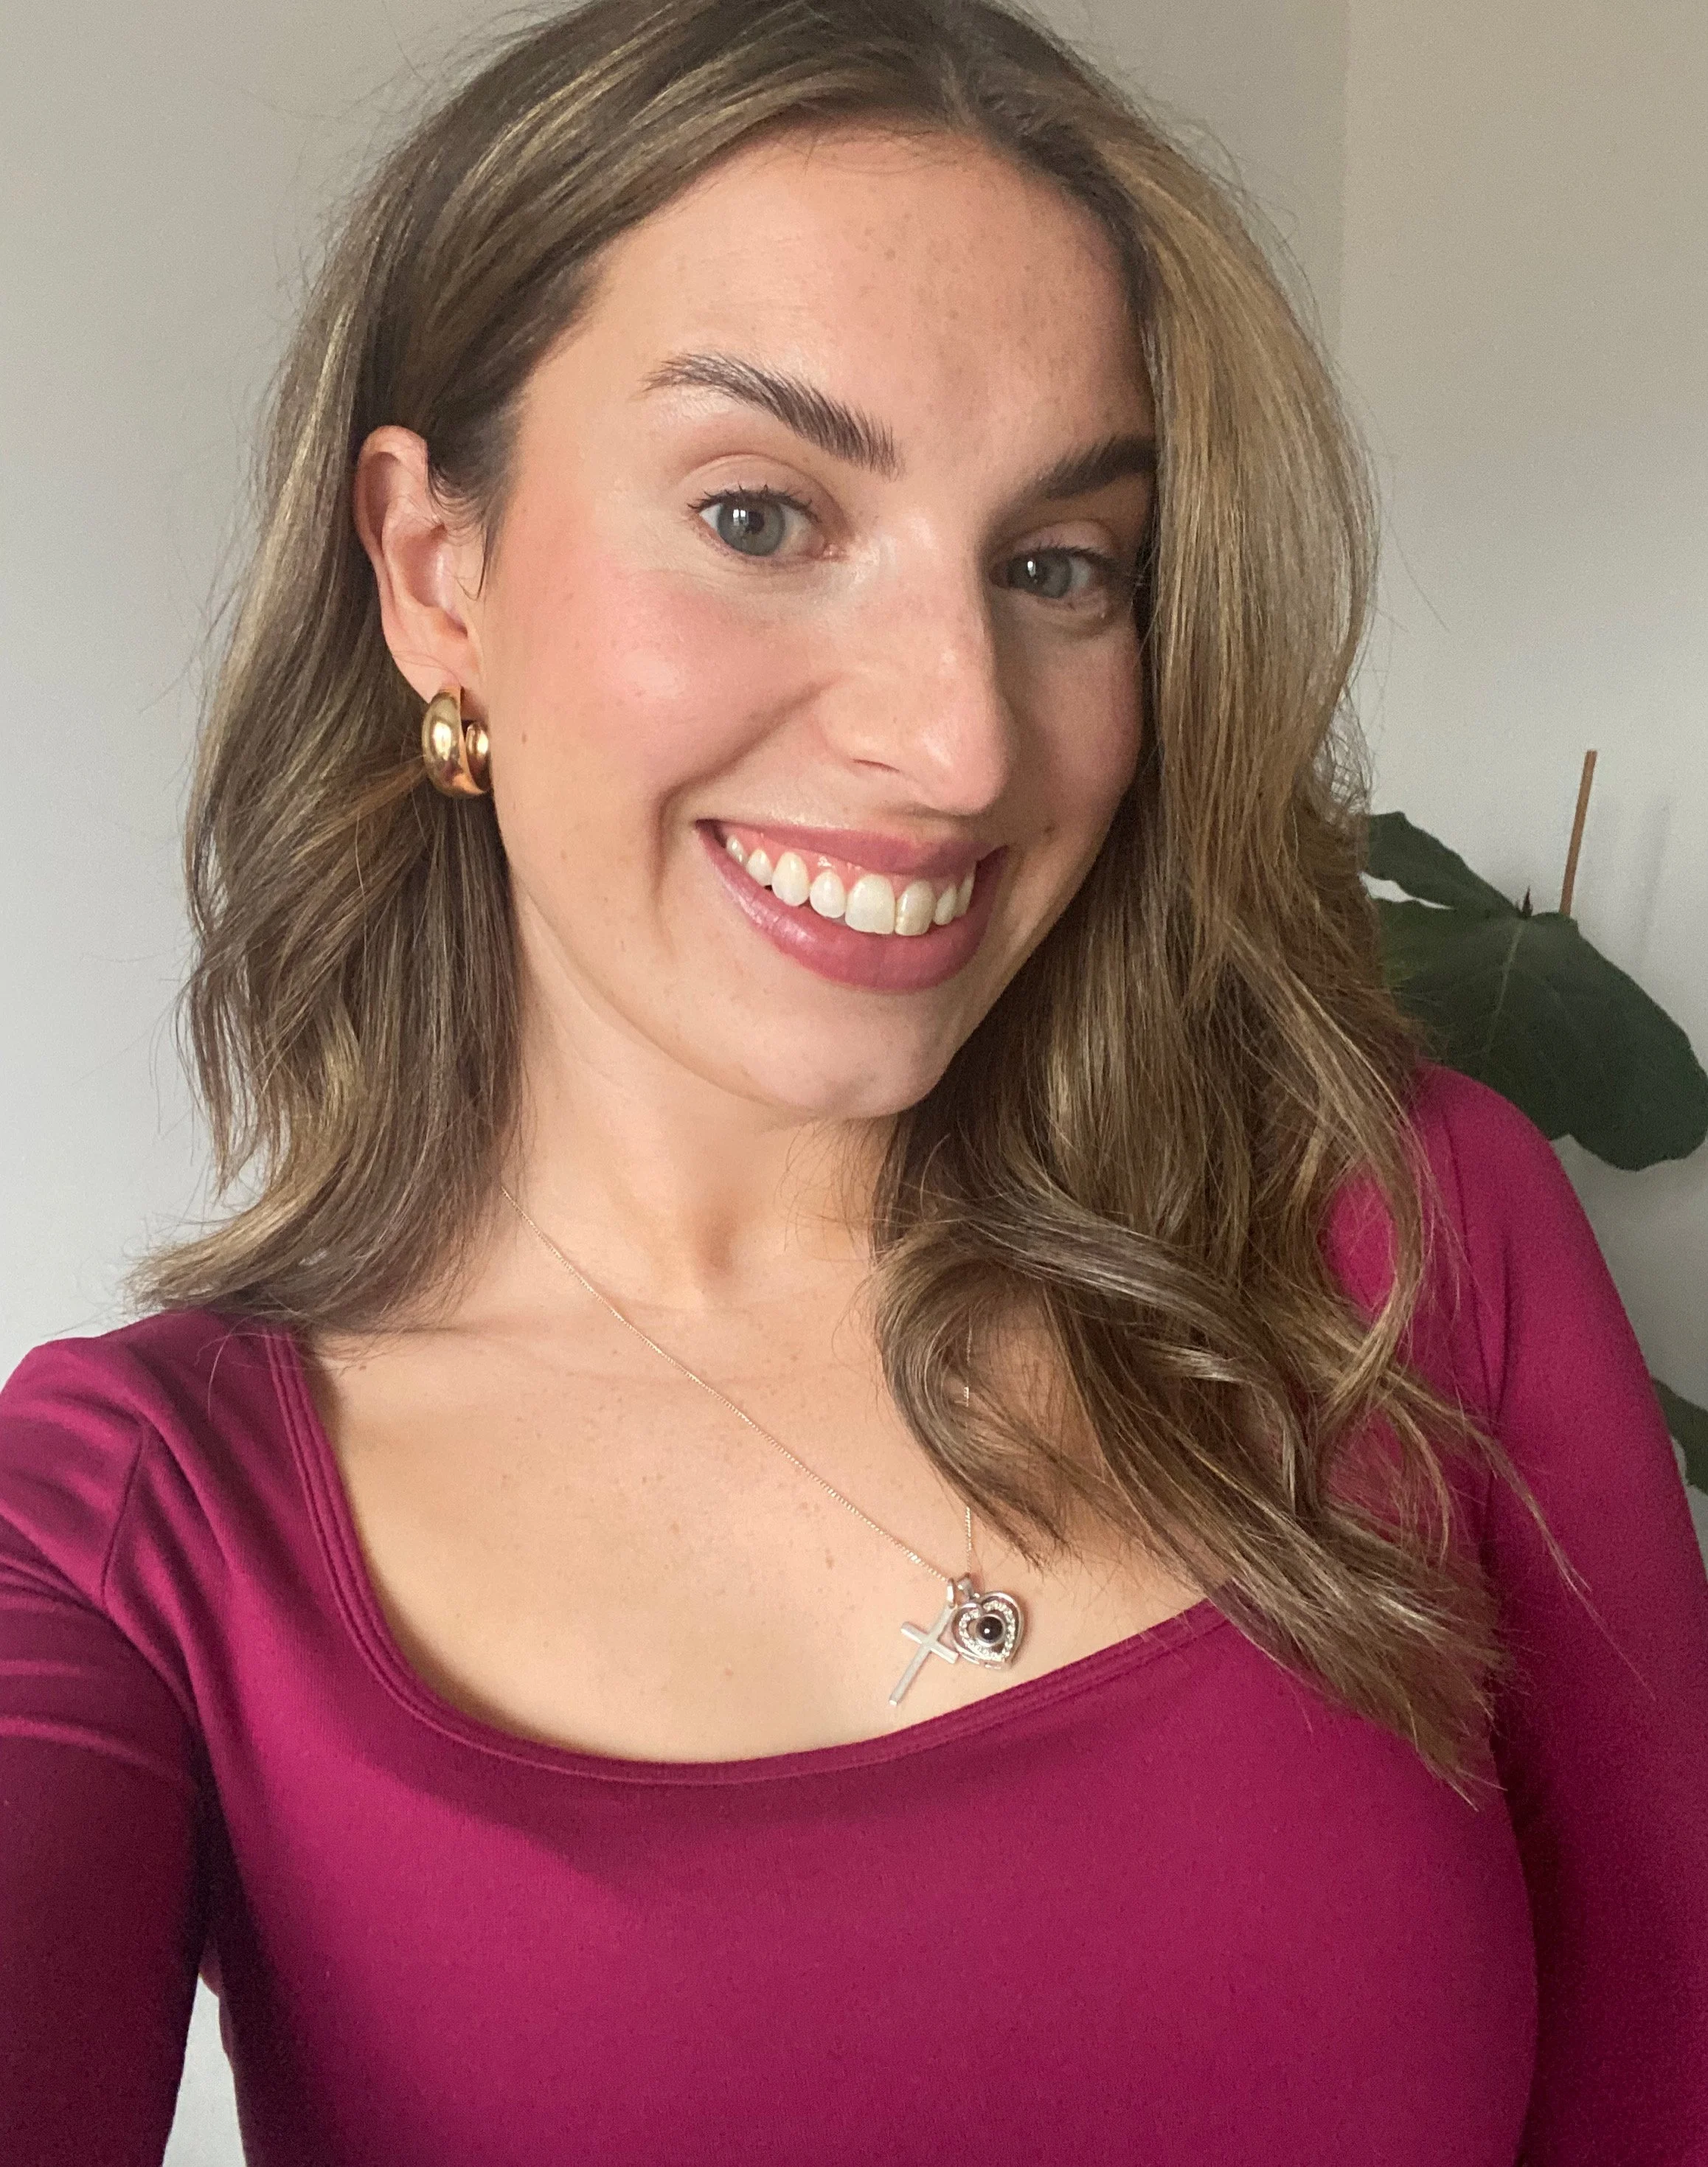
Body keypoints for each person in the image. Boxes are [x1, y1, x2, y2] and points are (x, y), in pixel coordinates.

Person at [3, 0, 1706, 2159]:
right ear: (435, 573)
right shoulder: (136, 1528)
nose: (965, 744)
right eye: (758, 514)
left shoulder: (1393, 1252)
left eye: (1058, 566)